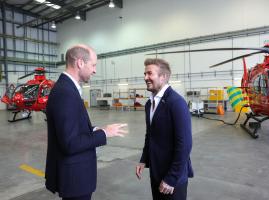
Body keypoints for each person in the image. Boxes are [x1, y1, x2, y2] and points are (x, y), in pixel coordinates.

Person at [45, 44, 127, 200]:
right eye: (93, 65)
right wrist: (105, 133)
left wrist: (95, 129)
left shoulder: (67, 88)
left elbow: (72, 130)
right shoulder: (65, 92)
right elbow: (70, 143)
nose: (95, 70)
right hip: (75, 179)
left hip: (76, 176)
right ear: (80, 63)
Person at [136, 58, 193, 200]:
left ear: (164, 77)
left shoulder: (176, 103)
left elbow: (185, 144)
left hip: (173, 178)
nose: (145, 78)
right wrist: (144, 159)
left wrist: (172, 178)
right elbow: (150, 135)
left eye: (150, 73)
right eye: (145, 74)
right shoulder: (150, 103)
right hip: (156, 172)